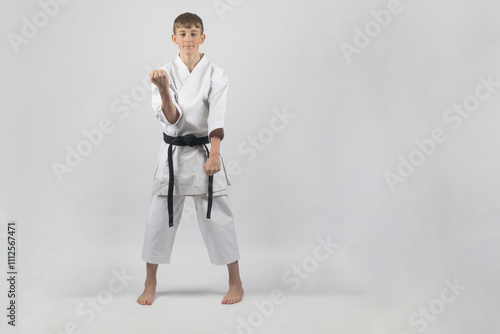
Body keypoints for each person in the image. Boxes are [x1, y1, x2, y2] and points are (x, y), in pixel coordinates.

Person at [137, 12, 244, 305]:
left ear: (202, 37)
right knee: (158, 219)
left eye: (194, 33)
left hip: (205, 152)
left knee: (219, 218)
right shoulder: (162, 73)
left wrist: (216, 154)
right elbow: (172, 119)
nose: (188, 39)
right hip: (172, 156)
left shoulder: (215, 74)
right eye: (183, 33)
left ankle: (236, 282)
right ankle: (150, 282)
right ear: (174, 39)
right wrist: (162, 91)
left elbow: (217, 114)